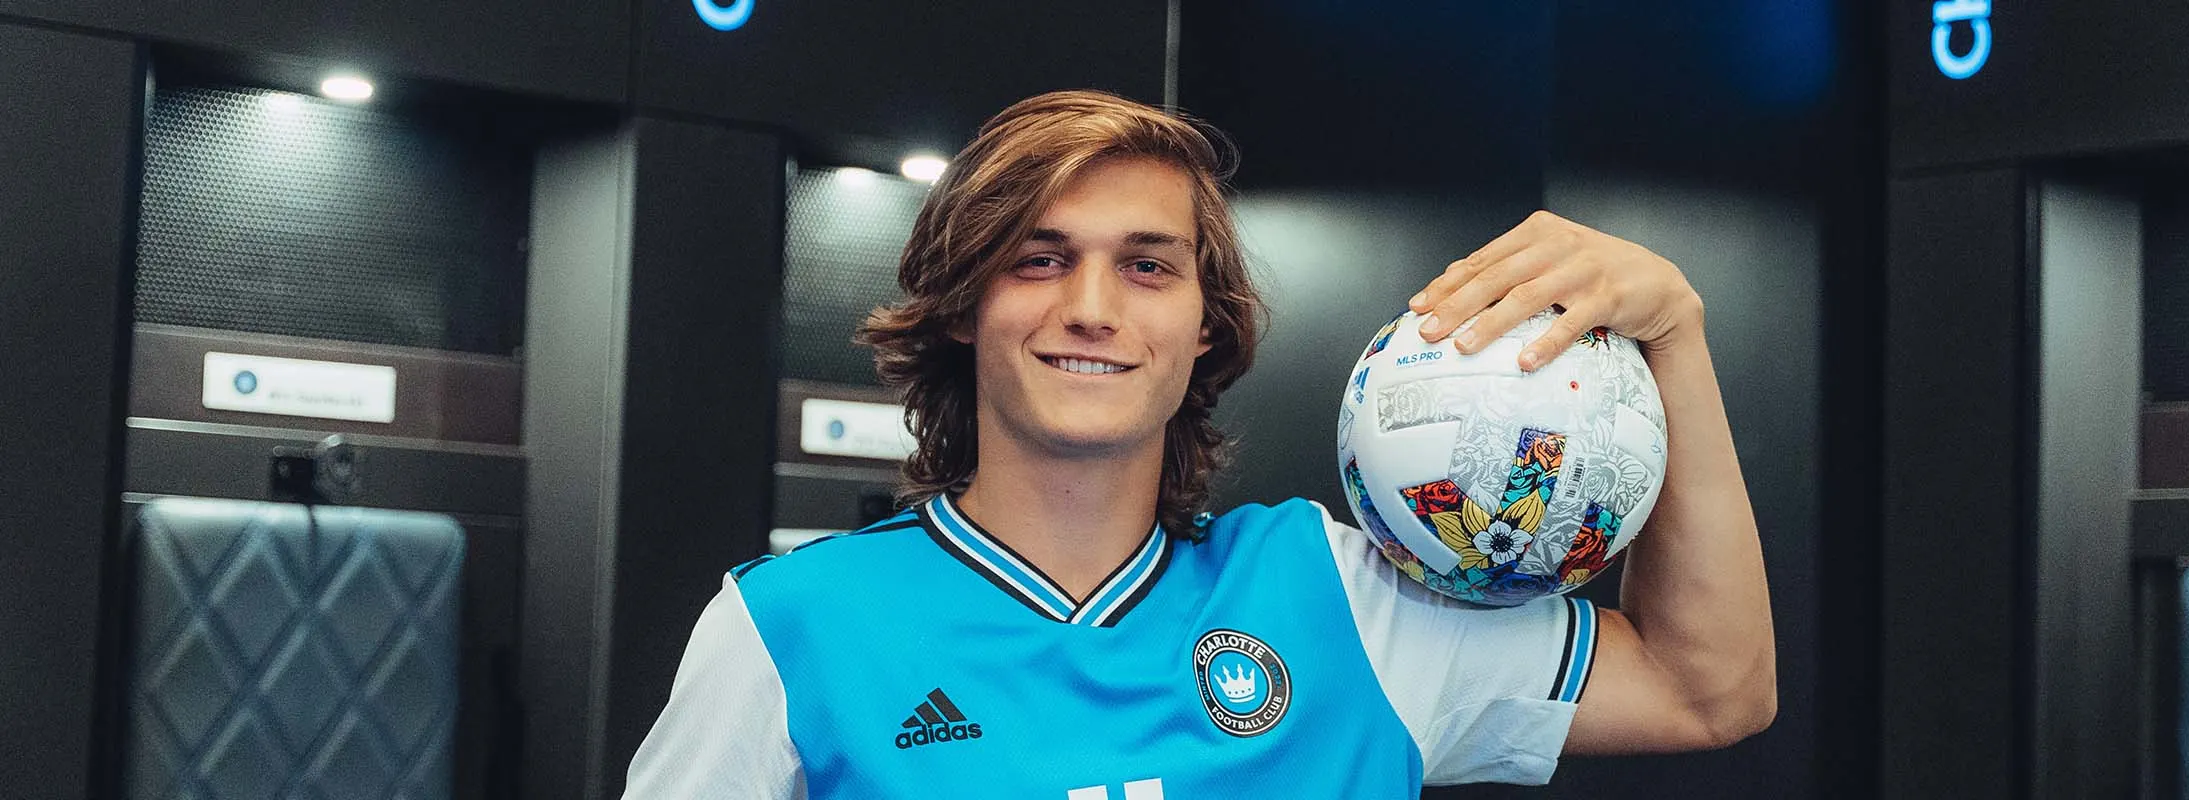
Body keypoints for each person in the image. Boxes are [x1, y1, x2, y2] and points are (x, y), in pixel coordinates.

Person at [623, 89, 1774, 798]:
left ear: (1202, 324)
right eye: (1037, 256)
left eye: (1147, 264)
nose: (1091, 305)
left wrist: (1674, 335)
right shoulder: (784, 631)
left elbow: (1707, 686)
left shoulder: (1350, 598)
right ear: (964, 303)